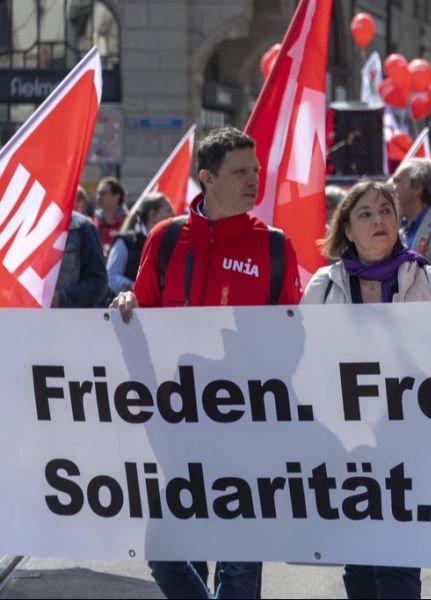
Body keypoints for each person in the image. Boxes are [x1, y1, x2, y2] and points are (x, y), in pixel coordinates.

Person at [110, 127, 303, 599]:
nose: (253, 180)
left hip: (246, 427)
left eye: (255, 170)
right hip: (177, 425)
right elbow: (145, 319)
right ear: (207, 178)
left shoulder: (276, 246)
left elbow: (293, 342)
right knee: (167, 549)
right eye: (240, 171)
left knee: (239, 568)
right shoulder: (168, 238)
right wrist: (126, 303)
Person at [302, 179, 431, 599]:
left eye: (385, 211)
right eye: (365, 214)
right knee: (360, 562)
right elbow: (302, 362)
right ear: (347, 229)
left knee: (398, 563)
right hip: (345, 443)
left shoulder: (427, 279)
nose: (378, 220)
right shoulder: (322, 286)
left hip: (409, 441)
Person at [106, 192, 174, 294]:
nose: (173, 215)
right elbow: (111, 276)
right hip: (129, 308)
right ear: (152, 214)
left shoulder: (171, 242)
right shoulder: (126, 242)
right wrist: (135, 288)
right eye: (169, 210)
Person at [53, 206, 108, 308]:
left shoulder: (82, 227)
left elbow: (98, 283)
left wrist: (62, 297)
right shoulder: (19, 224)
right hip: (25, 319)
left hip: (70, 320)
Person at [93, 176, 128, 255]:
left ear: (117, 196)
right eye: (98, 193)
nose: (98, 197)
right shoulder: (93, 222)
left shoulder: (128, 220)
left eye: (103, 194)